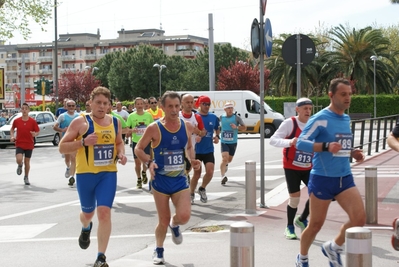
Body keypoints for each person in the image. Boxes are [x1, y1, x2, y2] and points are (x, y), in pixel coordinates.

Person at [295, 78, 366, 267]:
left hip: (344, 178)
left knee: (359, 219)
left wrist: (353, 152)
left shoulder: (346, 118)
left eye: (349, 94)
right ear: (331, 95)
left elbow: (341, 145)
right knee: (316, 225)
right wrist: (325, 146)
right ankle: (302, 258)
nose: (348, 98)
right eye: (343, 94)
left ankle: (333, 247)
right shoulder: (320, 118)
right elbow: (300, 143)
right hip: (322, 179)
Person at [59, 86, 127, 267]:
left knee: (104, 213)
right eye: (98, 102)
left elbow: (119, 142)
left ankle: (101, 257)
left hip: (108, 174)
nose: (102, 106)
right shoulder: (80, 123)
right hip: (86, 175)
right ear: (90, 102)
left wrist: (121, 154)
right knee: (88, 214)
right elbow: (62, 147)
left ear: (109, 105)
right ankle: (85, 227)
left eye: (105, 103)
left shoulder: (115, 122)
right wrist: (82, 142)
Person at [134, 91, 200, 265]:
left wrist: (192, 160)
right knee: (162, 220)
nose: (174, 110)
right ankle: (159, 249)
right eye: (170, 106)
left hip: (179, 179)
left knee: (184, 216)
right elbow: (138, 149)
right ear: (162, 107)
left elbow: (189, 146)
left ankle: (175, 224)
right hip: (160, 181)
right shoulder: (154, 128)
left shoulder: (186, 126)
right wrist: (149, 163)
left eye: (177, 106)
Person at [269, 98, 313, 240]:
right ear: (297, 109)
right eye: (305, 108)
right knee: (295, 199)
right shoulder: (290, 123)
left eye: (310, 109)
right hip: (291, 167)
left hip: (309, 166)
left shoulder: (314, 124)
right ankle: (289, 226)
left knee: (317, 195)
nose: (307, 111)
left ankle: (302, 218)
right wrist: (290, 142)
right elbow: (273, 140)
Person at [189, 95, 220, 204]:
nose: (206, 106)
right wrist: (195, 136)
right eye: (204, 104)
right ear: (199, 104)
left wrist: (217, 137)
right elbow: (189, 130)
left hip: (208, 149)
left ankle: (202, 188)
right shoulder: (195, 117)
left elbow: (217, 128)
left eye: (208, 104)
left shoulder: (213, 117)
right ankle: (191, 193)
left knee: (210, 172)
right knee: (197, 174)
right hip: (197, 151)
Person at [126, 97, 154, 189]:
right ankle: (138, 178)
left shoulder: (148, 115)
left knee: (146, 160)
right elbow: (126, 129)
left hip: (146, 142)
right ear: (135, 105)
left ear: (144, 105)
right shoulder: (131, 116)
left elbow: (153, 128)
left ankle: (144, 172)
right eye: (137, 104)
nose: (139, 105)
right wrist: (131, 130)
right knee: (137, 163)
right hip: (136, 142)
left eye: (141, 103)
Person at [10, 103, 40, 185]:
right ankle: (20, 165)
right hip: (19, 143)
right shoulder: (17, 121)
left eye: (26, 108)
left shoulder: (32, 121)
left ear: (29, 110)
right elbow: (12, 129)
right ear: (21, 110)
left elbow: (37, 131)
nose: (24, 110)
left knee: (27, 162)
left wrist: (35, 134)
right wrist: (12, 136)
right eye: (23, 108)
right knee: (19, 159)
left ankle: (26, 177)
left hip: (29, 144)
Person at [179, 94, 206, 184]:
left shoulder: (197, 117)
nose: (190, 104)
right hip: (179, 148)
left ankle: (185, 178)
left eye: (191, 102)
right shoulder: (177, 116)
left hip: (191, 148)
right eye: (187, 102)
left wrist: (197, 132)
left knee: (189, 166)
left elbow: (203, 132)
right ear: (182, 103)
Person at [53, 99, 80, 186]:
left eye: (73, 106)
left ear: (75, 107)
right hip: (66, 140)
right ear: (66, 107)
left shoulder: (79, 116)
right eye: (69, 106)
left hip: (76, 140)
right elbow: (55, 127)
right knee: (67, 159)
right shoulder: (62, 116)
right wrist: (62, 129)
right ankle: (68, 168)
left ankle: (72, 177)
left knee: (73, 158)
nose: (71, 107)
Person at [219, 102, 246, 185]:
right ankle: (222, 176)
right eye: (228, 108)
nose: (230, 110)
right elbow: (217, 127)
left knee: (229, 160)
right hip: (224, 141)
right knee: (224, 158)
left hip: (233, 142)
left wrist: (236, 127)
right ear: (225, 109)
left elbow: (244, 128)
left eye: (231, 108)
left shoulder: (236, 118)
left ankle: (226, 165)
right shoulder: (221, 117)